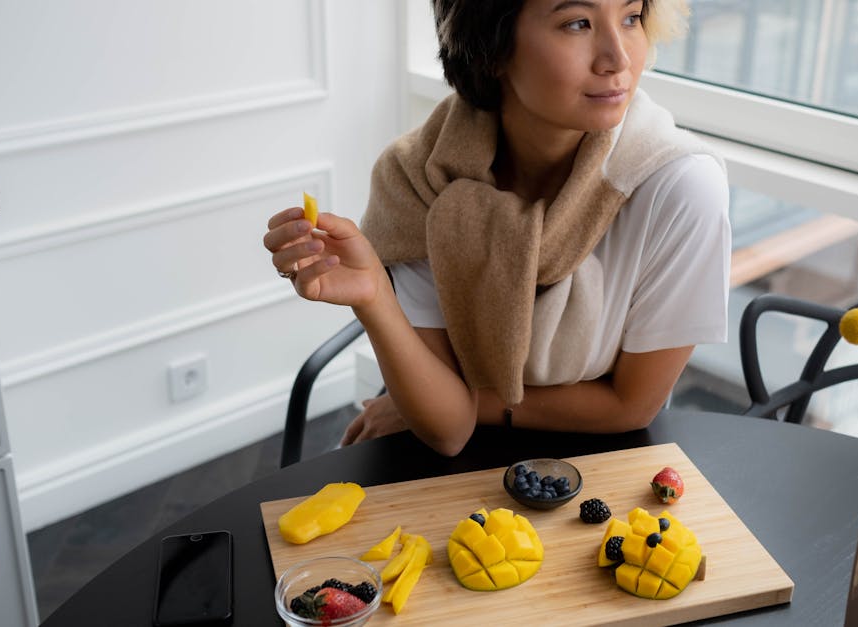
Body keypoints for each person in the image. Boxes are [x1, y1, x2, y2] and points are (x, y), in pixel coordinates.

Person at [263, 0, 730, 457]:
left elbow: (631, 407)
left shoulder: (679, 186)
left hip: (606, 459)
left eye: (631, 17)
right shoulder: (417, 178)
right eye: (578, 23)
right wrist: (375, 299)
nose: (619, 58)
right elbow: (447, 432)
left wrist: (471, 403)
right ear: (492, 44)